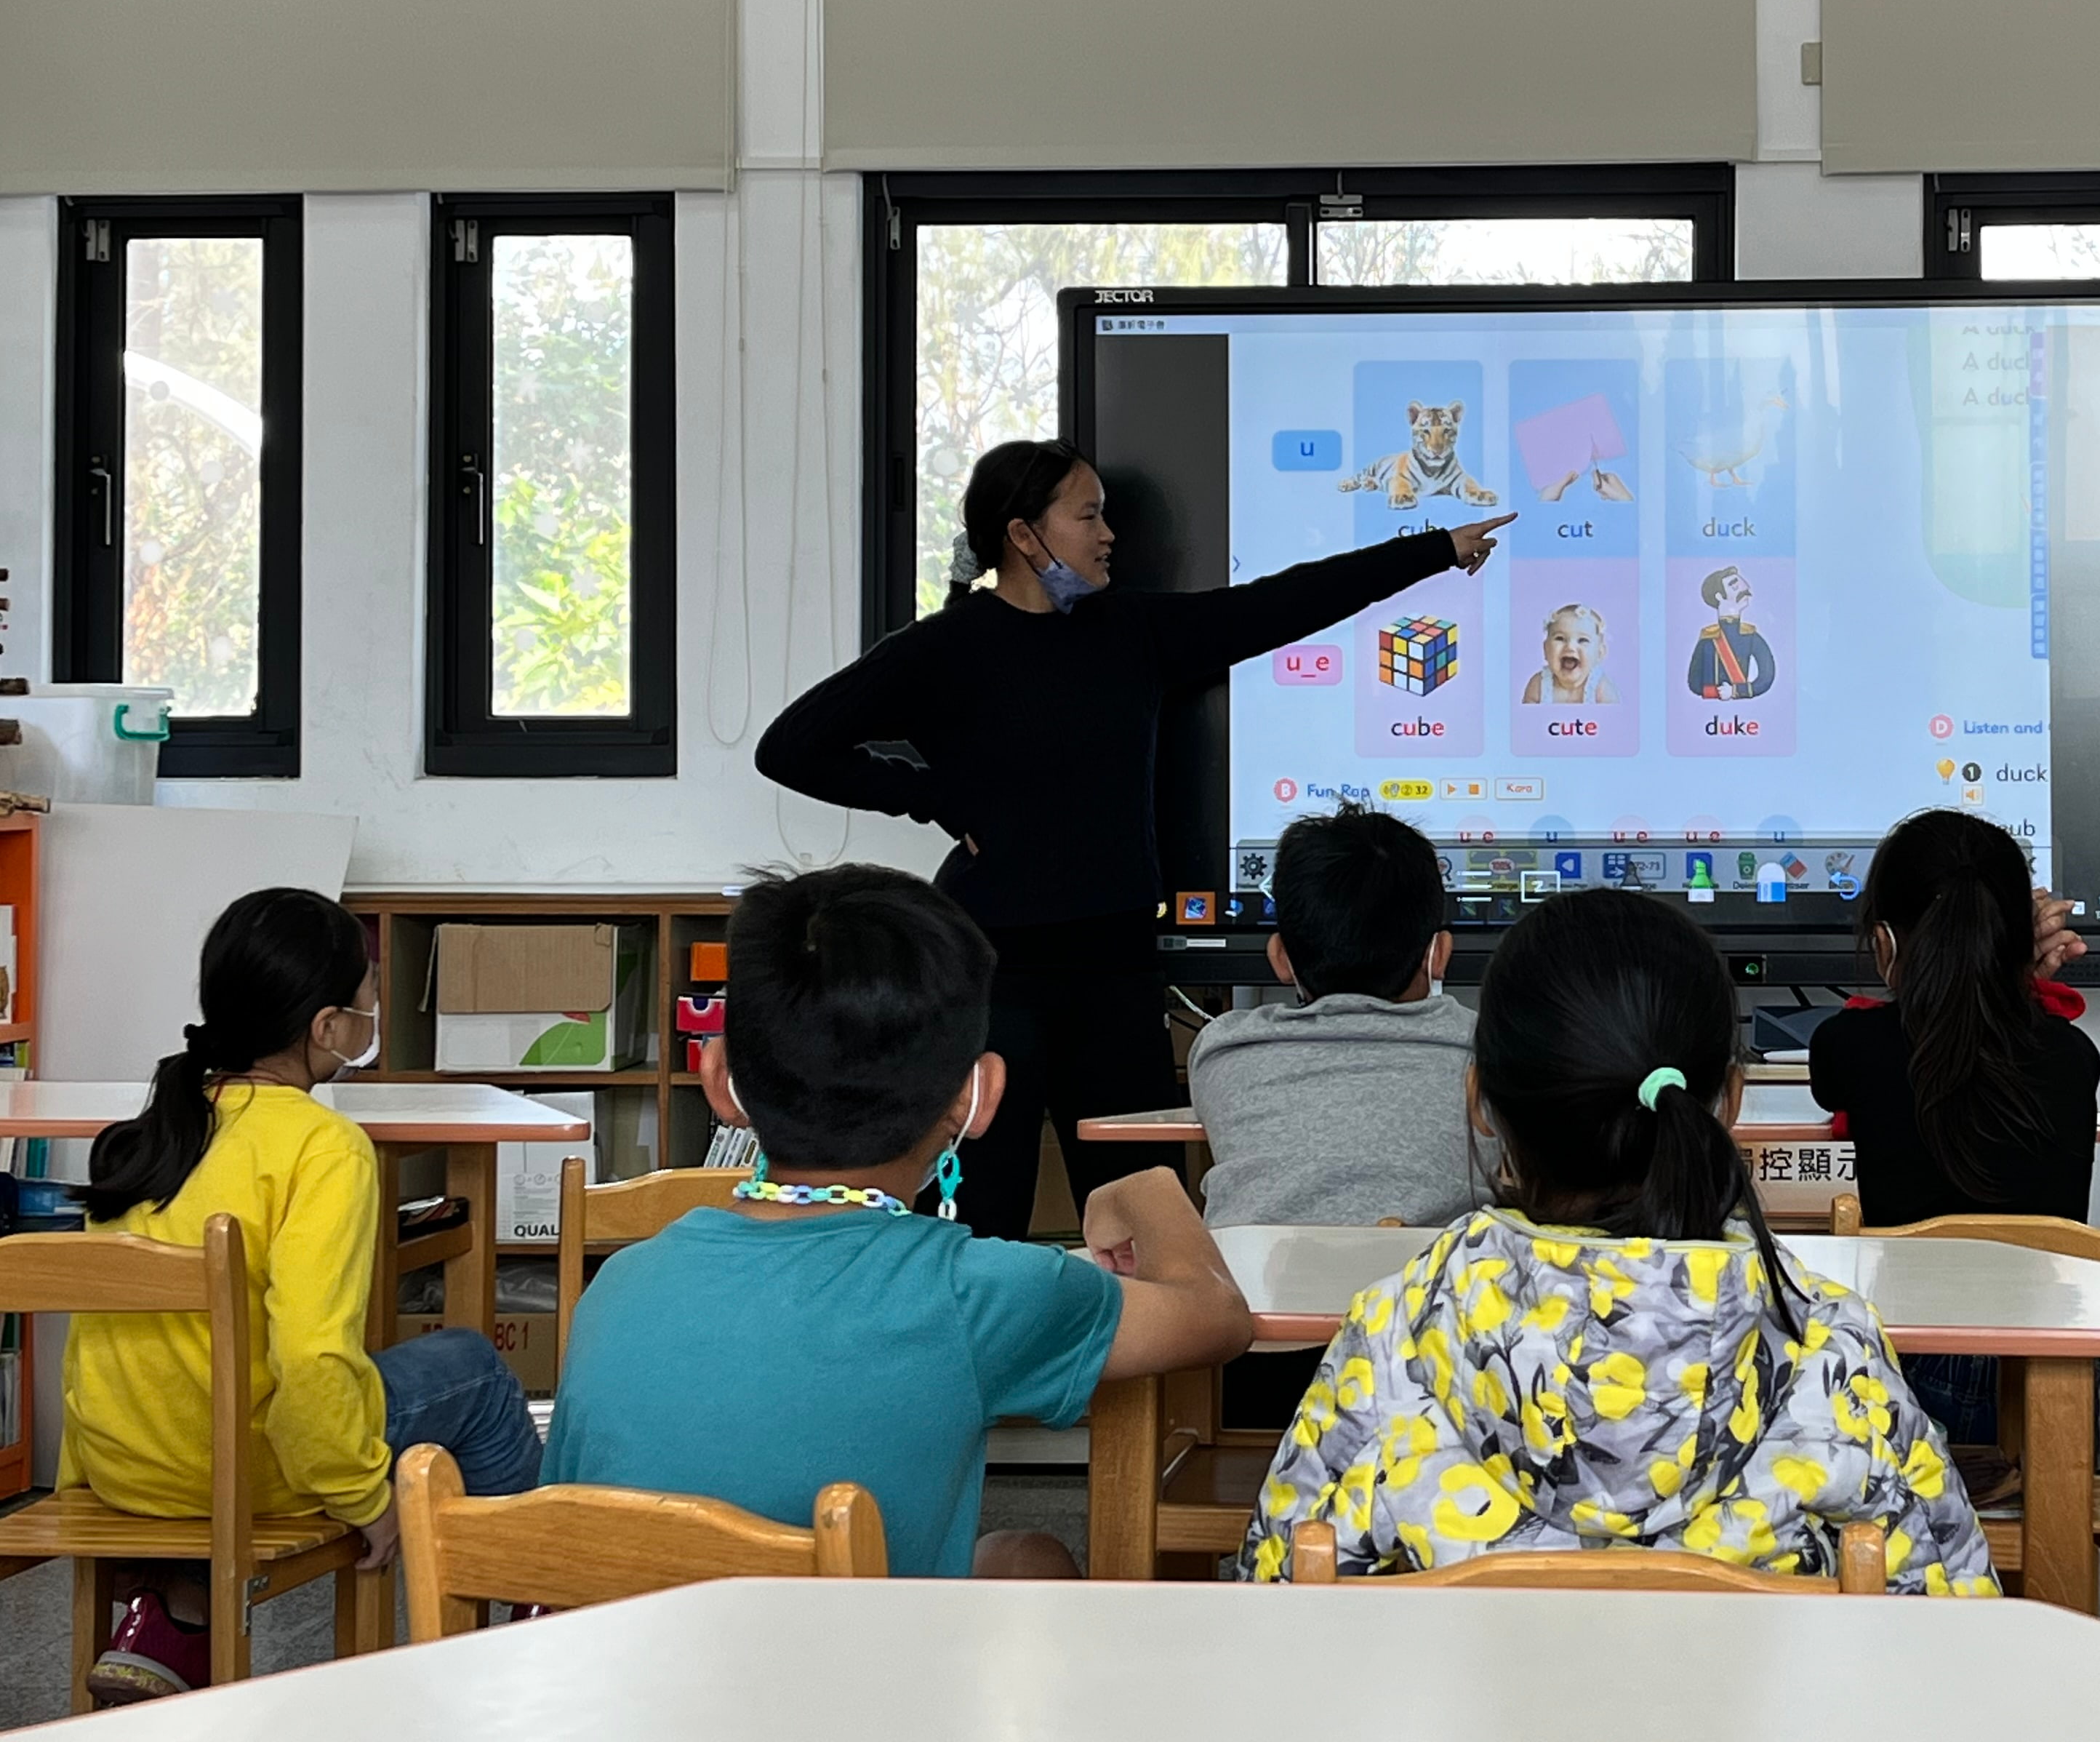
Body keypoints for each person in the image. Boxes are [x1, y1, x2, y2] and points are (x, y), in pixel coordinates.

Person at [755, 436, 1512, 1241]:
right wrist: (935, 798)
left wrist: (1434, 550)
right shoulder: (945, 648)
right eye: (1089, 516)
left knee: (1145, 1228)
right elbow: (790, 746)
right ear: (1024, 536)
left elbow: (1283, 603)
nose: (1108, 534)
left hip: (1116, 970)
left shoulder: (1132, 630)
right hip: (991, 975)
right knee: (982, 1220)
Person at [1238, 889, 1995, 1594]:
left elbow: (1273, 1608)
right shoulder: (1833, 1351)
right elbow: (1956, 1621)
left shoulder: (1392, 1335)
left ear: (1480, 1103)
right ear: (1730, 1101)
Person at [545, 863, 1251, 1578]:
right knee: (1036, 1564)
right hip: (863, 1649)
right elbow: (1219, 1316)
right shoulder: (976, 1291)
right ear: (978, 1096)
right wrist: (1146, 1187)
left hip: (626, 1645)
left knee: (1016, 1556)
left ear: (719, 1078)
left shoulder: (617, 1285)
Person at [65, 888, 543, 1706]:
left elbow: (93, 1341)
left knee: (230, 1375)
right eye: (368, 1001)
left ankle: (172, 1622)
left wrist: (89, 1478)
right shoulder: (325, 1148)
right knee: (473, 1369)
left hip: (122, 1468)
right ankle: (543, 1608)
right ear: (327, 1028)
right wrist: (364, 1496)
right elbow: (312, 1357)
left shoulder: (150, 1136)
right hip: (249, 1473)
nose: (372, 1017)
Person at [1809, 810, 2100, 1449]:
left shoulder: (1848, 1045)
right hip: (2054, 1376)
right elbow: (1998, 1038)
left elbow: (1839, 1083)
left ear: (1884, 942)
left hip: (1914, 1369)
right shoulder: (2073, 1056)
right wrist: (2020, 982)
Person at [1192, 807, 1480, 1232]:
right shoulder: (1489, 1050)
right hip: (1440, 1275)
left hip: (1255, 1276)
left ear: (1280, 958)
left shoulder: (1224, 1050)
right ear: (1439, 955)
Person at [1684, 565, 1776, 701]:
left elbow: (1767, 677)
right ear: (1719, 596)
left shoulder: (1751, 636)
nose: (1745, 587)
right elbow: (1695, 683)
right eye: (1734, 585)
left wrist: (1736, 691)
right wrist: (1717, 693)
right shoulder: (1708, 639)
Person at [1520, 603, 1619, 706]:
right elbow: (1526, 715)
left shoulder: (1601, 688)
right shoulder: (1538, 686)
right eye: (1560, 638)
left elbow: (1613, 715)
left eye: (1583, 640)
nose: (1570, 647)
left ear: (1600, 653)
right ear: (1546, 649)